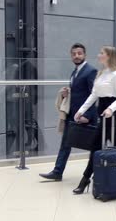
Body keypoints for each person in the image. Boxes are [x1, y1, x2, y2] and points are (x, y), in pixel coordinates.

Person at [73, 46, 116, 194]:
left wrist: (110, 109)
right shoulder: (101, 74)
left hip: (111, 112)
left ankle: (85, 179)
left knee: (95, 145)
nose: (99, 55)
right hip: (101, 109)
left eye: (102, 53)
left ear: (109, 56)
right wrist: (81, 110)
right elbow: (93, 95)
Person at [39, 43, 97, 181]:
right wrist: (66, 94)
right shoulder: (74, 72)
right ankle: (57, 172)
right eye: (74, 54)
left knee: (94, 147)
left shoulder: (90, 71)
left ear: (85, 55)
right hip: (73, 115)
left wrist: (87, 116)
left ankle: (98, 172)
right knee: (65, 143)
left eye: (79, 53)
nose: (76, 56)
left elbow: (94, 95)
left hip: (85, 116)